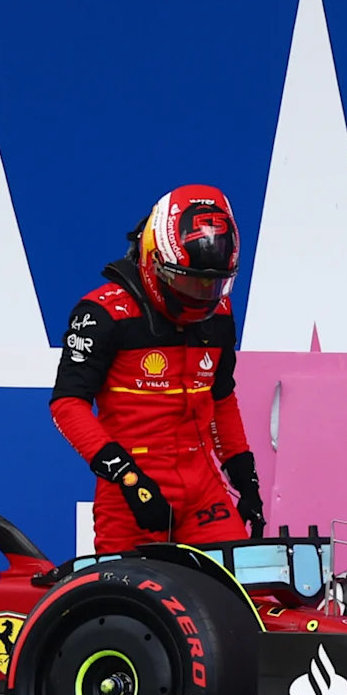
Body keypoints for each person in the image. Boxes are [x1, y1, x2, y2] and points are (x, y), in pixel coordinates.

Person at [49, 185, 266, 554]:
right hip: (130, 489)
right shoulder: (103, 313)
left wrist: (246, 480)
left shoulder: (221, 313)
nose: (201, 293)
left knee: (234, 595)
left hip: (203, 487)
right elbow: (67, 404)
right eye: (189, 280)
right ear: (154, 260)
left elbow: (221, 398)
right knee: (130, 604)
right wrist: (128, 477)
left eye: (213, 283)